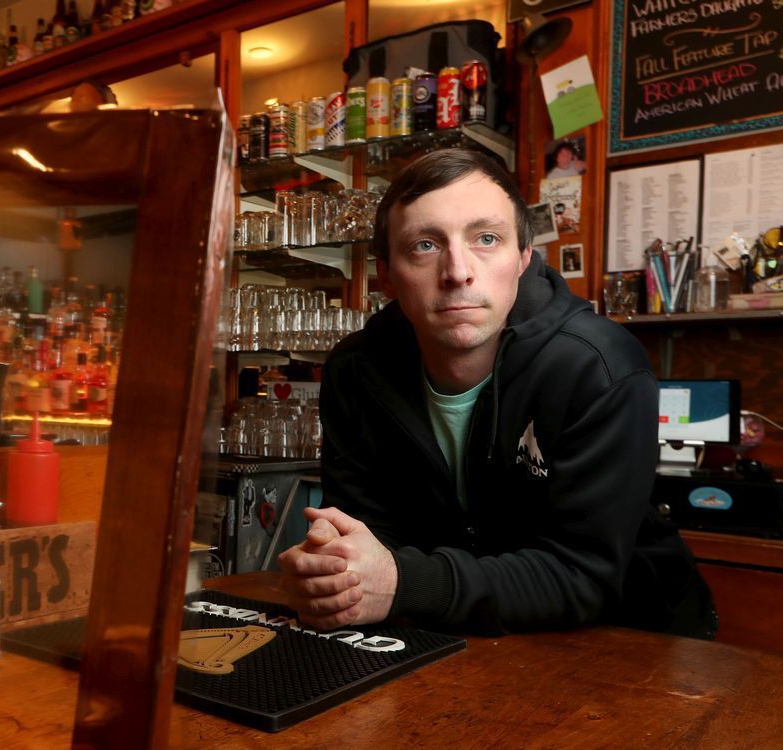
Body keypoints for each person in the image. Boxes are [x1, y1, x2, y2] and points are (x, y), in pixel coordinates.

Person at [278, 149, 716, 639]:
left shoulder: (599, 366)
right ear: (386, 275)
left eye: (486, 239)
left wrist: (402, 582)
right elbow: (367, 538)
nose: (458, 271)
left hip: (624, 640)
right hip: (444, 634)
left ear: (524, 258)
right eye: (424, 245)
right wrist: (337, 574)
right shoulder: (355, 371)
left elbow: (583, 576)